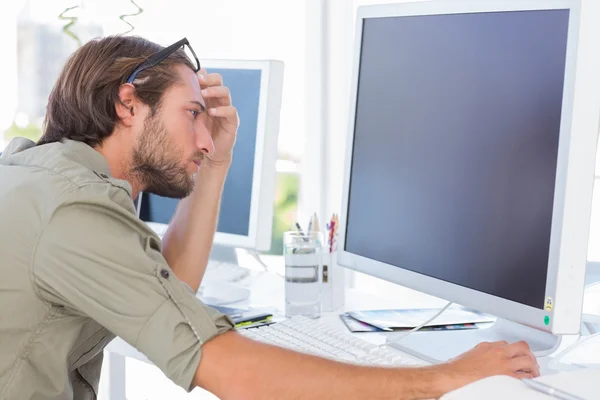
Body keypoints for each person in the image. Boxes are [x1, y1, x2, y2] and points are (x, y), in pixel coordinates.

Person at [0, 35, 539, 400]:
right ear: (127, 104)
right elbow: (228, 370)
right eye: (192, 115)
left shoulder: (39, 173)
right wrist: (442, 377)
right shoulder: (76, 209)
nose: (205, 139)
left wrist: (216, 166)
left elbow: (172, 292)